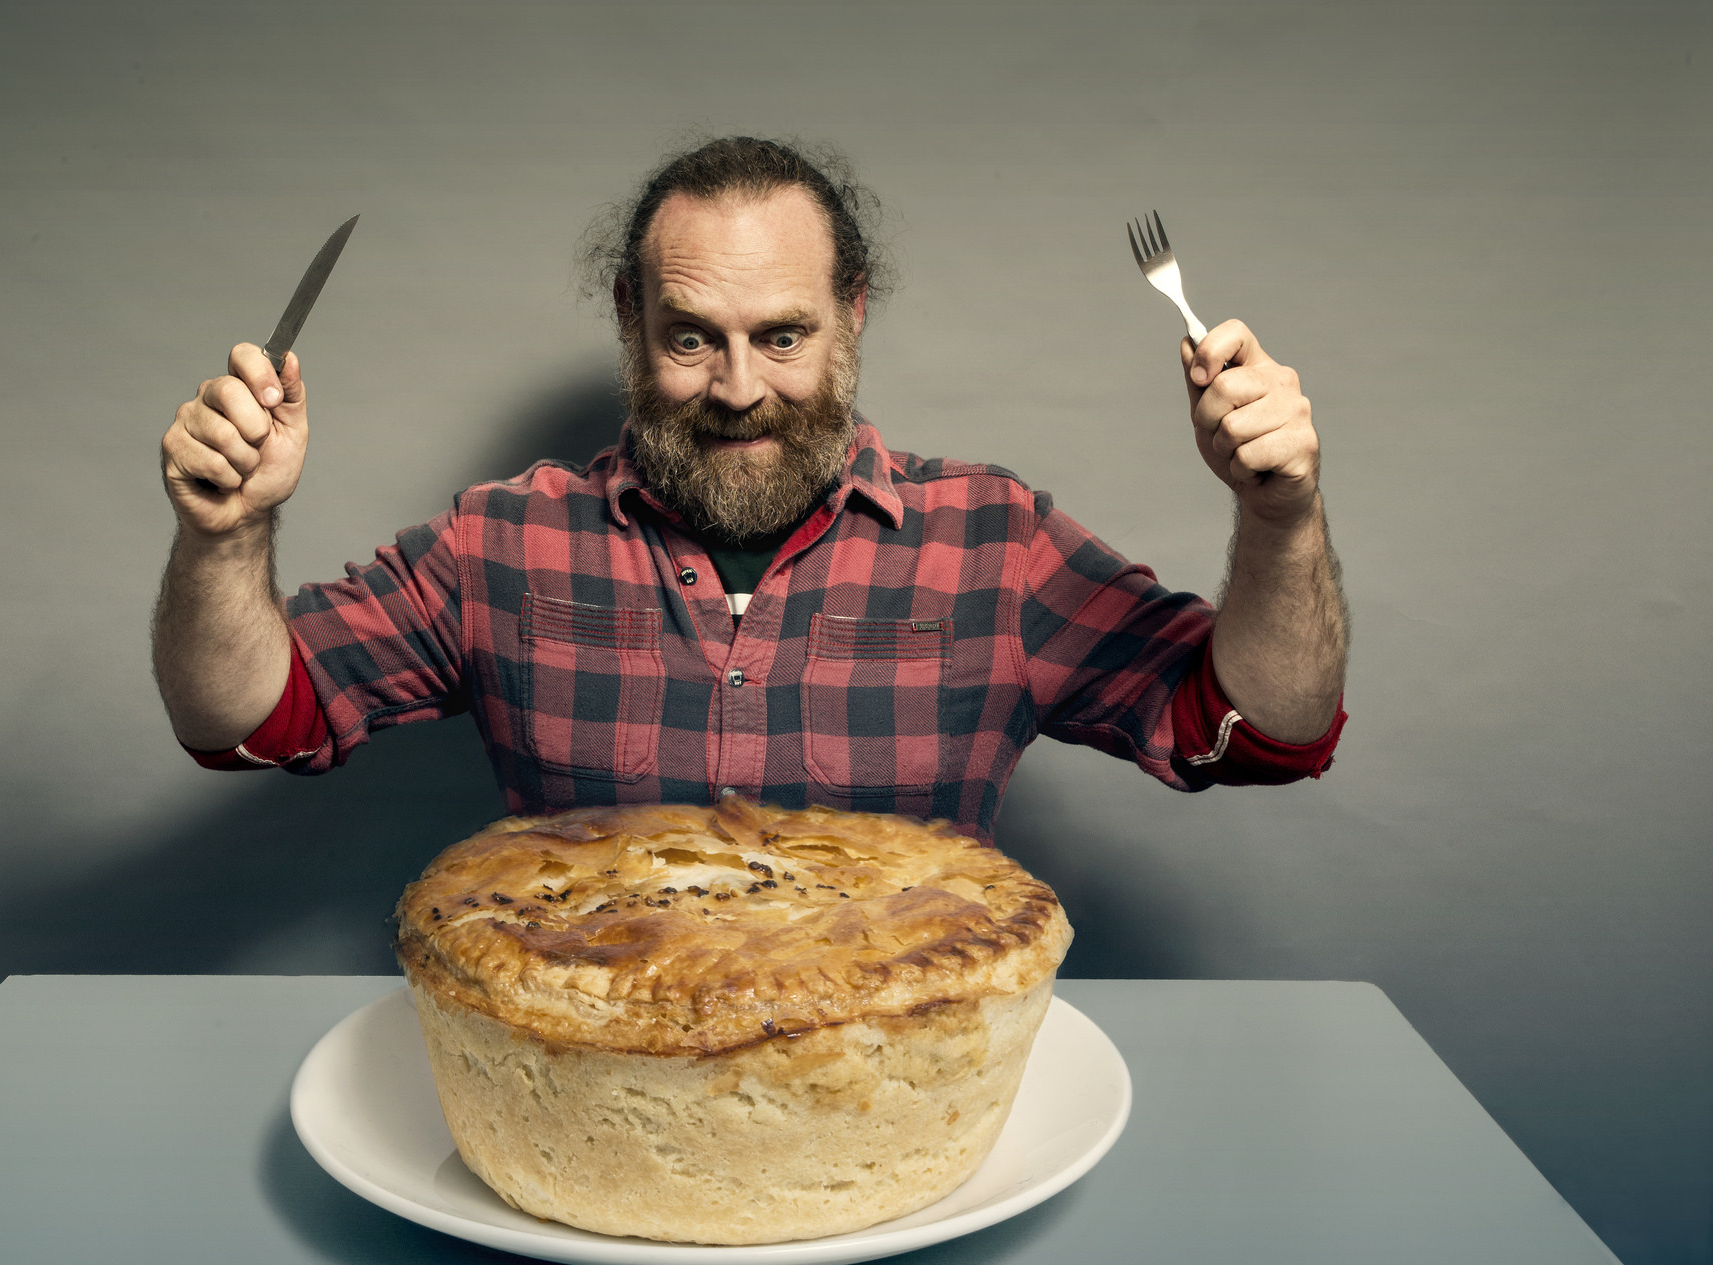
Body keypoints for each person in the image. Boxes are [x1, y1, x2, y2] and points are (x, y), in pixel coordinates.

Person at [152, 137, 1346, 844]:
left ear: (851, 316)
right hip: (589, 1086)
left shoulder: (995, 544)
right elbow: (248, 725)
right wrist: (226, 531)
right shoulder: (499, 544)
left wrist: (1278, 517)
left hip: (892, 1088)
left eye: (781, 336)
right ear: (628, 321)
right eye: (689, 339)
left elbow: (1261, 737)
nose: (737, 390)